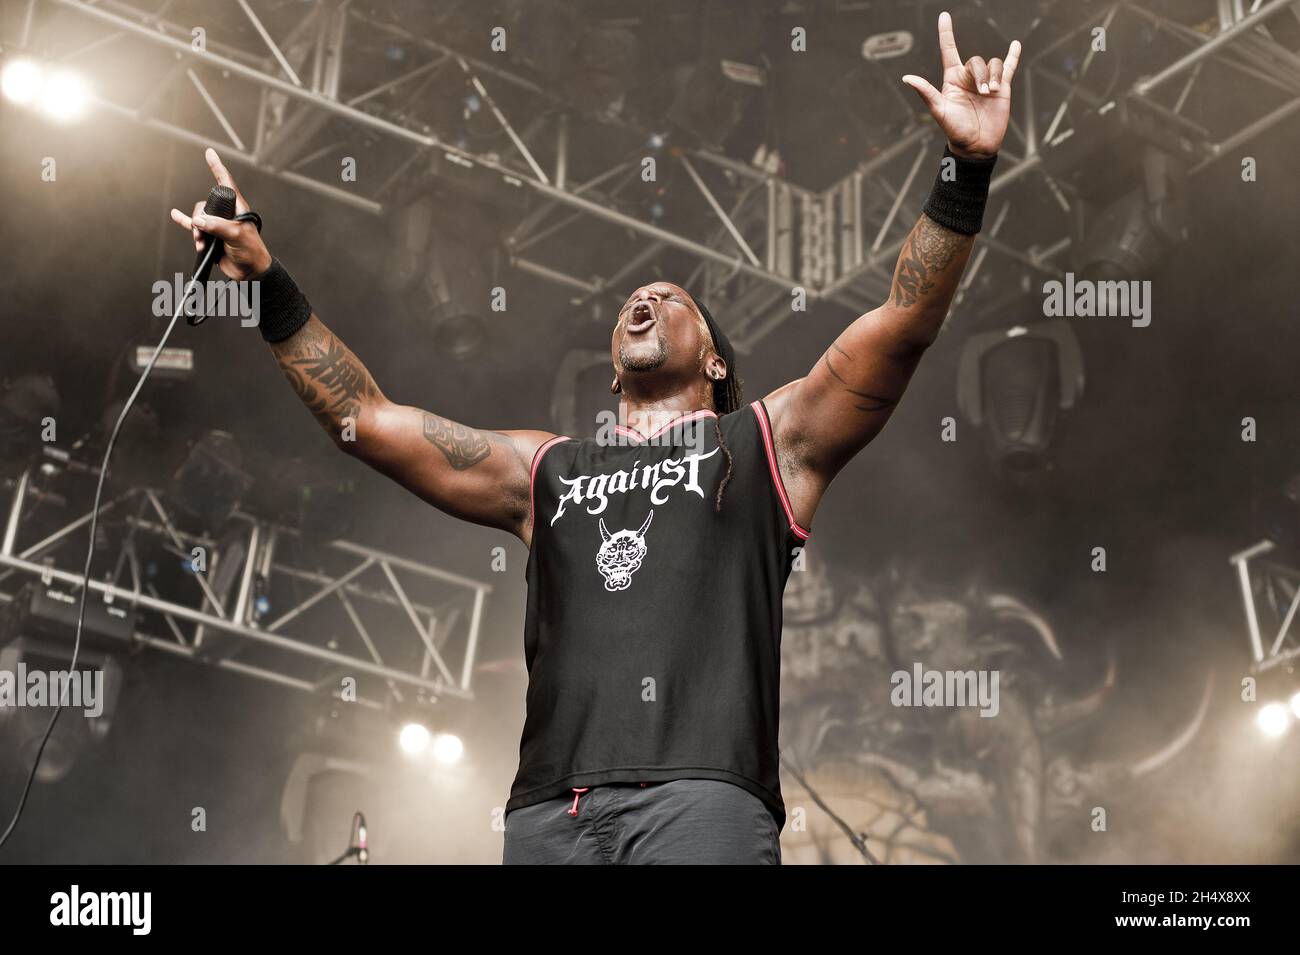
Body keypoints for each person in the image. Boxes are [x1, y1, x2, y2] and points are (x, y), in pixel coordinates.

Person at [170, 12, 1021, 865]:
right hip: (548, 814)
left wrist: (966, 168)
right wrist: (266, 282)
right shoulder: (545, 469)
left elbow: (902, 325)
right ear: (613, 370)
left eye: (669, 297)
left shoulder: (765, 444)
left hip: (701, 800)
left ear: (716, 358)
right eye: (628, 303)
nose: (640, 304)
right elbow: (371, 420)